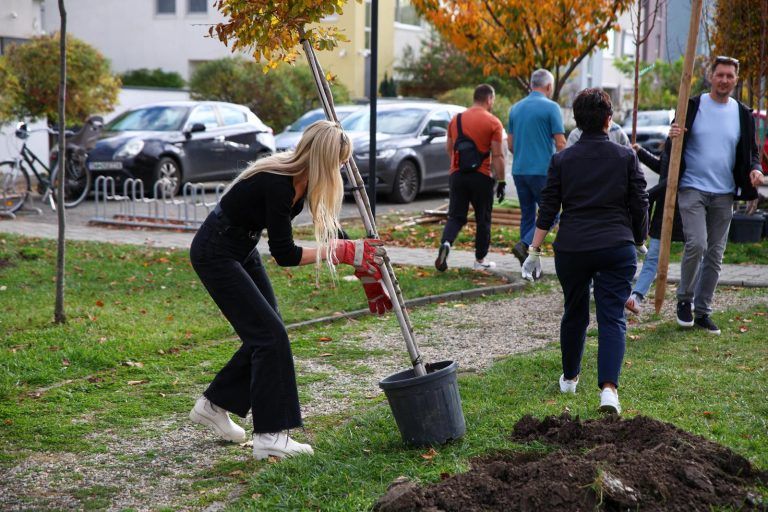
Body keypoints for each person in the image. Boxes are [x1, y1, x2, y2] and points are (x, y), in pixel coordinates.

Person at [188, 121, 392, 460]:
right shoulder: (278, 183)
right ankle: (270, 436)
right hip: (215, 251)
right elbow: (284, 254)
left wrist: (362, 263)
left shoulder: (305, 179)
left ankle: (214, 404)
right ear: (325, 159)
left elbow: (331, 226)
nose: (342, 168)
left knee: (268, 333)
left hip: (240, 247)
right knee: (270, 337)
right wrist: (340, 253)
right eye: (340, 162)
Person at [521, 89, 648, 414]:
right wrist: (639, 238)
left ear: (576, 122)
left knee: (574, 312)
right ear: (609, 120)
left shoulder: (562, 159)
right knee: (612, 316)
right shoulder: (626, 157)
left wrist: (534, 250)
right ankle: (608, 391)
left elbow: (548, 207)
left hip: (573, 248)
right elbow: (639, 202)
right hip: (616, 247)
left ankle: (570, 378)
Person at [672, 56, 765, 334]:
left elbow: (752, 153)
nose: (724, 80)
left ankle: (703, 311)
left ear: (735, 80)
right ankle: (684, 301)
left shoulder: (742, 114)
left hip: (724, 193)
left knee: (715, 254)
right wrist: (672, 134)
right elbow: (674, 140)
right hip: (692, 187)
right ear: (710, 76)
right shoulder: (693, 106)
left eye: (729, 76)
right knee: (697, 244)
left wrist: (756, 169)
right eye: (720, 74)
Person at [434, 84, 506, 272]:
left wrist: (458, 166)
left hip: (457, 175)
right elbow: (498, 155)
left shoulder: (455, 120)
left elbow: (449, 148)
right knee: (483, 219)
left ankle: (447, 243)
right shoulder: (493, 122)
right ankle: (480, 260)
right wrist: (502, 180)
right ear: (489, 99)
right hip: (481, 177)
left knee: (456, 216)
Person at [508, 69, 566, 268]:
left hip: (519, 170)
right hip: (542, 171)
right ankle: (525, 244)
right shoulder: (551, 108)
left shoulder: (515, 108)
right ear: (549, 86)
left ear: (531, 84)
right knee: (552, 214)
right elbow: (560, 143)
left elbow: (510, 145)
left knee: (527, 214)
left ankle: (529, 265)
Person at [624, 129, 684, 314]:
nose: (673, 128)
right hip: (664, 209)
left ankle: (690, 299)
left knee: (694, 255)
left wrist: (647, 196)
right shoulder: (671, 141)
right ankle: (636, 297)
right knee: (652, 257)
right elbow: (663, 169)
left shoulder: (689, 145)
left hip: (685, 208)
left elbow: (675, 179)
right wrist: (641, 152)